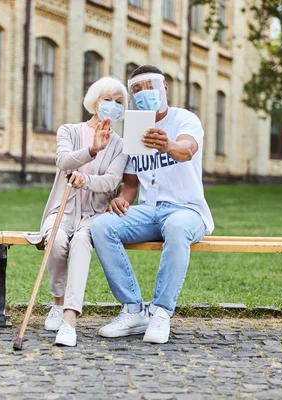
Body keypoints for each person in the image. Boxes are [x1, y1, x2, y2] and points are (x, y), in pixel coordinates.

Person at [90, 65, 214, 344]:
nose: (144, 93)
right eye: (136, 89)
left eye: (150, 86)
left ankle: (160, 313)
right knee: (101, 226)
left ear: (164, 87)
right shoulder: (136, 126)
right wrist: (122, 198)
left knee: (179, 226)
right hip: (149, 211)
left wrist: (167, 145)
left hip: (186, 210)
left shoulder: (185, 119)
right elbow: (132, 182)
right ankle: (134, 310)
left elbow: (187, 150)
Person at [39, 76, 129, 347]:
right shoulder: (69, 130)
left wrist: (86, 180)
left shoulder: (121, 145)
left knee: (79, 243)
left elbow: (112, 181)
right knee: (55, 241)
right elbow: (64, 161)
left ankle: (69, 319)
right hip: (63, 208)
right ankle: (57, 302)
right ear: (94, 102)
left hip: (95, 214)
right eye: (107, 100)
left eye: (119, 102)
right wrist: (92, 149)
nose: (113, 105)